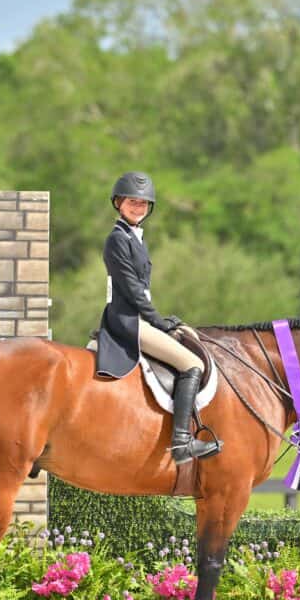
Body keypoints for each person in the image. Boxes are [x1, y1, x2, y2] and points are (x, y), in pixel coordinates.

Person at [96, 171, 221, 464]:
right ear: (118, 203)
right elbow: (132, 292)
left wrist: (166, 320)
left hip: (137, 315)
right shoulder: (117, 239)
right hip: (127, 319)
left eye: (143, 203)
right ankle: (181, 443)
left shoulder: (133, 237)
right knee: (192, 363)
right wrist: (159, 322)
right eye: (131, 202)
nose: (137, 207)